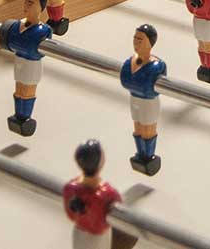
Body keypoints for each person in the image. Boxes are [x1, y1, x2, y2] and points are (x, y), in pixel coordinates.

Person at [119, 23, 168, 175]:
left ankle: (148, 156)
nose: (136, 42)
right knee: (138, 126)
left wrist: (139, 85)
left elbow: (145, 86)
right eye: (135, 38)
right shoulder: (129, 62)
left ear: (150, 42)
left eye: (140, 39)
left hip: (148, 103)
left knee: (147, 127)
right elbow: (125, 81)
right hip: (135, 99)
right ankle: (140, 154)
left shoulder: (157, 66)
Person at [4, 0, 52, 135]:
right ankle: (18, 115)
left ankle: (25, 117)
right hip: (19, 61)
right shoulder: (17, 25)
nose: (26, 4)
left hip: (31, 64)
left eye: (31, 2)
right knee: (18, 91)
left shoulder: (44, 30)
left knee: (26, 92)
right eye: (26, 1)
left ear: (41, 8)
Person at [61, 139, 122, 249]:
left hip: (79, 232)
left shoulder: (69, 188)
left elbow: (70, 214)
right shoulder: (107, 194)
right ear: (100, 162)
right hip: (99, 236)